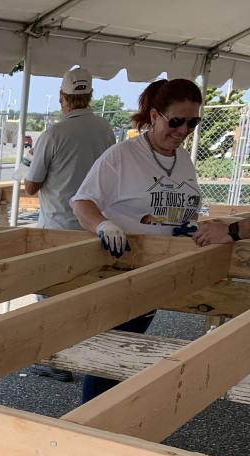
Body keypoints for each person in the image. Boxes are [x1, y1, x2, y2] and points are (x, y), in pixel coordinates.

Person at [72, 77, 203, 402]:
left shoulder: (181, 158)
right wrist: (103, 226)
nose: (183, 130)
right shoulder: (122, 157)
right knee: (111, 355)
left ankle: (107, 417)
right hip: (121, 268)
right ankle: (91, 426)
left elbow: (180, 204)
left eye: (192, 122)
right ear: (155, 115)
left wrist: (185, 226)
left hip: (156, 269)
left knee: (127, 351)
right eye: (176, 121)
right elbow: (82, 202)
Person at [23, 67, 116, 382]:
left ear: (63, 99)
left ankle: (57, 361)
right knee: (84, 294)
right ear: (89, 96)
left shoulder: (53, 134)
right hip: (93, 226)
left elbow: (31, 186)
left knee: (51, 294)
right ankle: (84, 352)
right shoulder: (106, 130)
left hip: (57, 227)